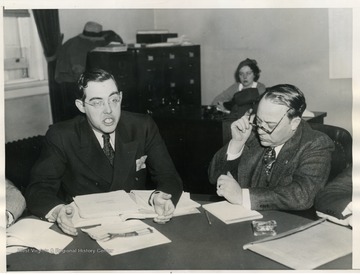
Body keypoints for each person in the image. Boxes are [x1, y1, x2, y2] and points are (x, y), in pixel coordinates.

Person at [26, 69, 183, 236]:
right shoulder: (62, 136)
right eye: (97, 102)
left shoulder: (142, 126)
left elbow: (169, 176)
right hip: (85, 229)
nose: (109, 109)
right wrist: (58, 210)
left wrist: (161, 196)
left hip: (136, 225)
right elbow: (38, 189)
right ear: (81, 106)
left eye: (114, 99)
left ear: (121, 98)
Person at [208, 84, 334, 210]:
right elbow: (214, 178)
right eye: (258, 120)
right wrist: (236, 144)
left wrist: (243, 197)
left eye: (269, 124)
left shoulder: (316, 144)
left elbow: (302, 195)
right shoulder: (252, 134)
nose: (261, 130)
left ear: (294, 123)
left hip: (289, 222)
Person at [54, 21, 123, 122]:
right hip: (72, 85)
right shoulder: (80, 47)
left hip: (65, 84)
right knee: (80, 118)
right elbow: (79, 73)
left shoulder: (73, 41)